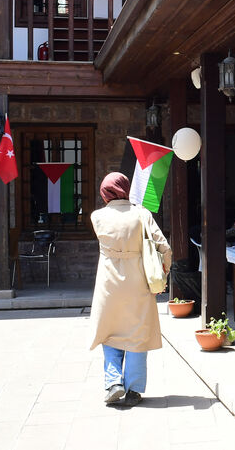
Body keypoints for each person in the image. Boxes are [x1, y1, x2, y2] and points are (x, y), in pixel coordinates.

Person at [88, 172, 172, 406]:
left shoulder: (97, 216)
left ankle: (113, 382)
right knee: (137, 334)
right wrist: (162, 275)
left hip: (108, 283)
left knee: (110, 330)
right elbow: (164, 248)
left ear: (105, 192)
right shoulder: (142, 214)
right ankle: (133, 389)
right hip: (139, 282)